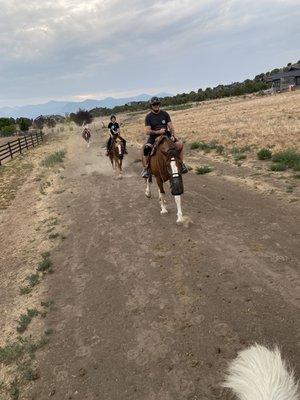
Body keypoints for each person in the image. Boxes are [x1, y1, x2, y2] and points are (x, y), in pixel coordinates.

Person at [141, 96, 188, 178]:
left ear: (159, 104)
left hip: (166, 135)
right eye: (154, 104)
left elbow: (170, 126)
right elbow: (147, 131)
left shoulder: (165, 114)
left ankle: (181, 164)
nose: (156, 105)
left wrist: (173, 135)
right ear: (151, 106)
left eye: (157, 104)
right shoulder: (148, 117)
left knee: (180, 144)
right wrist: (158, 132)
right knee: (146, 149)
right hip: (153, 136)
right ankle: (147, 168)